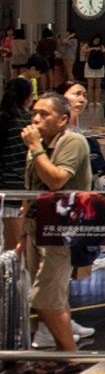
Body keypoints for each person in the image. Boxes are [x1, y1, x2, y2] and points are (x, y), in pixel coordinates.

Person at [20, 92, 93, 374]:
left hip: (62, 230)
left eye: (44, 114)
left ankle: (69, 356)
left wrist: (36, 148)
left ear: (63, 119)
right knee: (51, 295)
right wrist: (21, 233)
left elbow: (56, 179)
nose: (36, 119)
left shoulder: (72, 141)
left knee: (44, 295)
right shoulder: (39, 145)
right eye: (34, 113)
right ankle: (61, 354)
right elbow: (30, 188)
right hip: (36, 228)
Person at [0, 79, 33, 255]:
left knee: (10, 246)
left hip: (7, 190)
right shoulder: (29, 122)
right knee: (23, 249)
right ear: (28, 98)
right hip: (25, 191)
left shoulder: (4, 120)